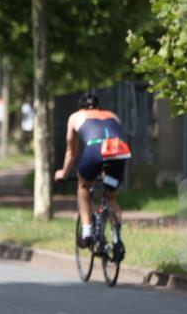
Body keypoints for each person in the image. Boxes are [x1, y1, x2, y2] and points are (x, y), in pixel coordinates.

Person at [54, 92, 130, 250]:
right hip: (118, 151)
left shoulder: (75, 116)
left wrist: (64, 173)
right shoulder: (113, 116)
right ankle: (117, 239)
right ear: (98, 106)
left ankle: (87, 232)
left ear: (80, 107)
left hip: (95, 149)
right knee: (111, 198)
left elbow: (71, 152)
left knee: (83, 186)